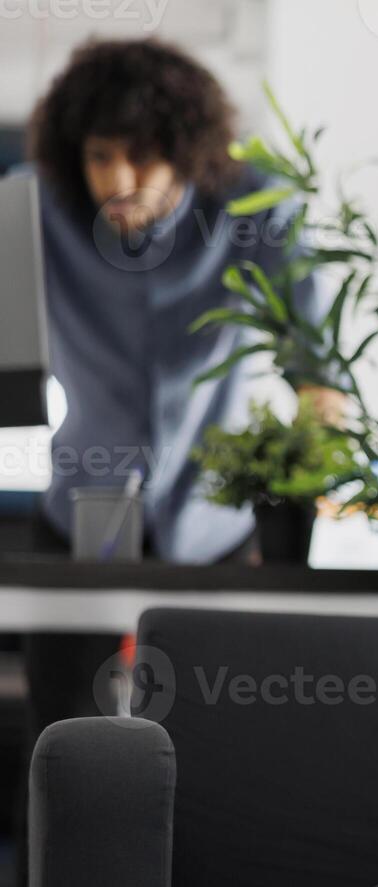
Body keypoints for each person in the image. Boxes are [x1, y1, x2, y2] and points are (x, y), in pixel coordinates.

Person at [24, 36, 339, 565]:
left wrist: (310, 470)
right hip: (77, 518)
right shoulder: (33, 209)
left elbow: (317, 371)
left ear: (185, 150)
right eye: (100, 158)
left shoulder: (257, 208)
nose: (119, 181)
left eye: (142, 157)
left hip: (214, 526)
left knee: (217, 652)